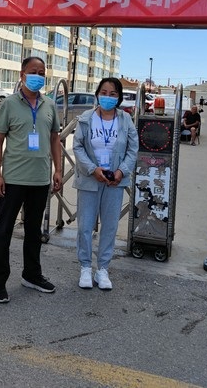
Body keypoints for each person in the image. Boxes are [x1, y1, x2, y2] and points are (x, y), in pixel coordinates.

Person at [0, 57, 63, 303]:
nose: (38, 76)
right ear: (22, 75)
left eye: (42, 72)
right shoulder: (9, 104)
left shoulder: (49, 105)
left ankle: (32, 275)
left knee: (34, 231)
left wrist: (58, 170)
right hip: (13, 178)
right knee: (4, 230)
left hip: (40, 179)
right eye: (33, 71)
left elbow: (55, 139)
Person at [72, 77, 138, 291]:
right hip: (90, 179)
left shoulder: (125, 120)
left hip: (114, 182)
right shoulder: (86, 118)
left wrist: (121, 171)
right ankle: (85, 267)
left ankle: (102, 269)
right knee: (85, 226)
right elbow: (78, 146)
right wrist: (93, 169)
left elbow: (133, 149)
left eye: (113, 94)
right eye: (104, 92)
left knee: (110, 227)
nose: (108, 97)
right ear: (97, 94)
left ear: (119, 98)